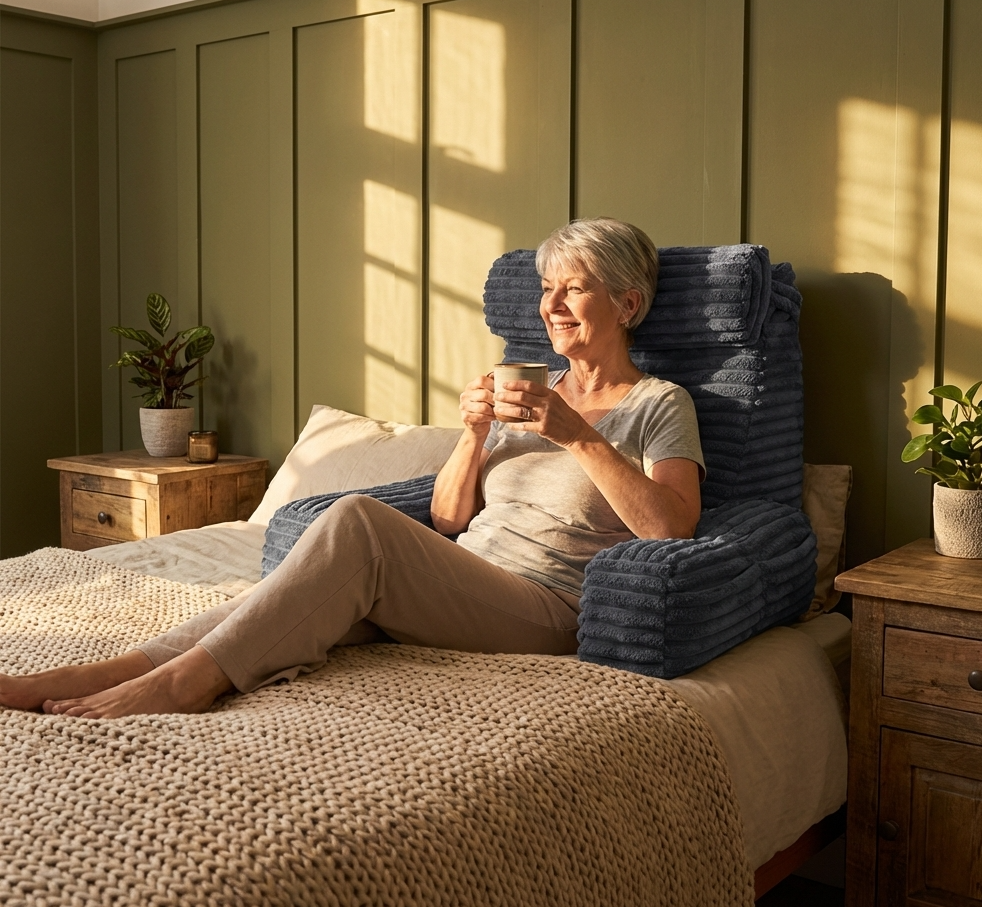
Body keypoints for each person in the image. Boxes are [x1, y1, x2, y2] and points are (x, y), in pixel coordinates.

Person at [0, 218, 704, 719]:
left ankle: (186, 685)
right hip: (466, 581)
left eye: (571, 289)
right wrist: (472, 434)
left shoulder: (659, 404)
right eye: (545, 289)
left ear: (627, 303)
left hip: (547, 608)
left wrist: (577, 435)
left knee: (358, 522)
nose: (549, 307)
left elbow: (671, 529)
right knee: (272, 604)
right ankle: (102, 671)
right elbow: (451, 519)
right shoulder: (537, 392)